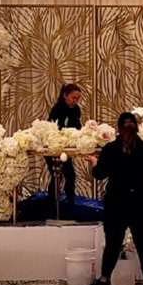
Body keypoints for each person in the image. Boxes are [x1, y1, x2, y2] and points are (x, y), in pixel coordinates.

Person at [88, 111, 143, 285]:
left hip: (117, 201)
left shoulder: (110, 149)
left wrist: (94, 162)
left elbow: (99, 174)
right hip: (141, 200)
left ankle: (104, 281)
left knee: (113, 242)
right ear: (137, 128)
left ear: (118, 129)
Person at [45, 82, 83, 210]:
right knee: (57, 175)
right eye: (73, 98)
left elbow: (77, 127)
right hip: (53, 147)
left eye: (77, 98)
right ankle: (52, 205)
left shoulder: (76, 109)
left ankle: (70, 204)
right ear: (65, 95)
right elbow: (53, 129)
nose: (75, 101)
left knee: (70, 175)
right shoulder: (57, 109)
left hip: (66, 148)